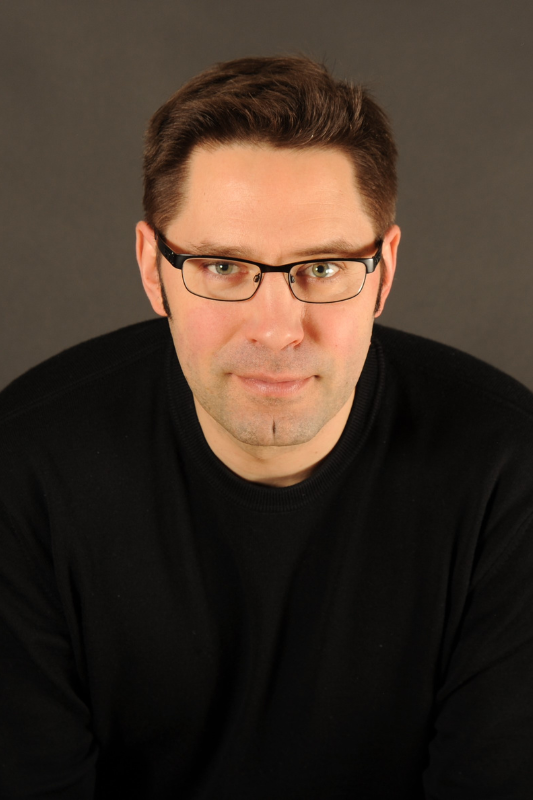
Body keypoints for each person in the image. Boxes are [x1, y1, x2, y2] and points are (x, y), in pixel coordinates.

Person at [1, 55, 532, 800]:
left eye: (323, 267)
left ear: (382, 273)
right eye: (222, 266)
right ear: (153, 268)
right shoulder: (23, 469)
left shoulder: (509, 471)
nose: (276, 329)